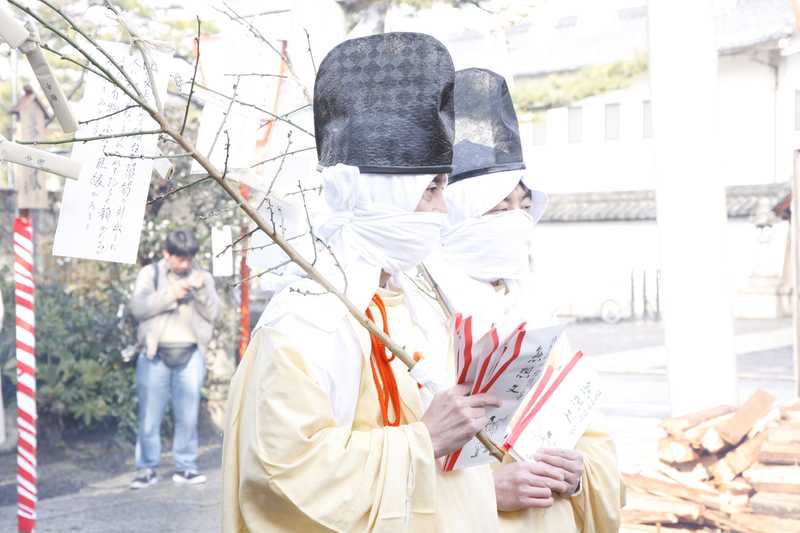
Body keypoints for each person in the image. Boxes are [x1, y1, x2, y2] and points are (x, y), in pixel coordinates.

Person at [222, 33, 502, 532]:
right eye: (430, 190)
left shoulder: (418, 302)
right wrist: (423, 441)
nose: (441, 209)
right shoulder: (309, 318)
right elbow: (283, 475)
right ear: (381, 195)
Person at [425, 68, 624, 531]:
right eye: (498, 207)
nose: (516, 219)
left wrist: (578, 475)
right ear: (455, 213)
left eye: (523, 204)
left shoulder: (530, 305)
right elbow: (400, 462)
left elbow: (590, 428)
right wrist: (482, 492)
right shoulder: (419, 311)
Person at [128, 229, 220, 489]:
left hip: (190, 353)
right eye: (180, 259)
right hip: (154, 354)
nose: (186, 264)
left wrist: (200, 291)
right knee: (149, 416)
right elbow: (138, 308)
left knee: (188, 416)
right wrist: (171, 294)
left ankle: (186, 467)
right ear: (167, 254)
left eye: (189, 258)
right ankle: (146, 468)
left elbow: (214, 313)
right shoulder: (150, 274)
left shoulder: (203, 277)